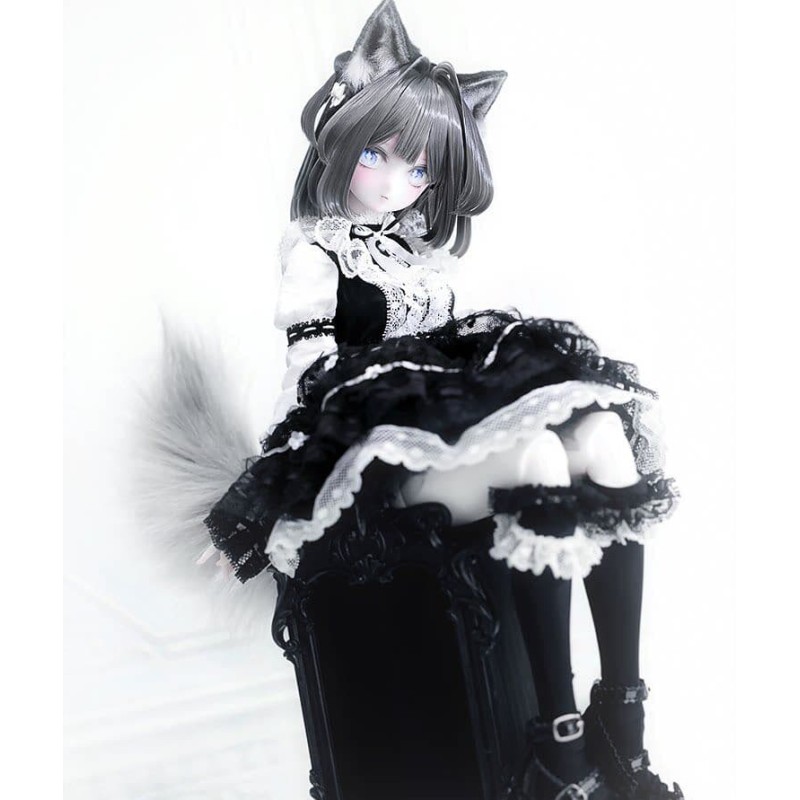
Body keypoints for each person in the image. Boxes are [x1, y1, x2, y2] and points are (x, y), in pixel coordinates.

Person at [137, 2, 683, 798]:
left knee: (600, 433)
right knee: (535, 453)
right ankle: (557, 746)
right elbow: (311, 380)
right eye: (378, 155)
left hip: (432, 438)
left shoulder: (412, 257)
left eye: (419, 170)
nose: (396, 184)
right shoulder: (316, 254)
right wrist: (283, 485)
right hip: (362, 464)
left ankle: (621, 724)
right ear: (340, 134)